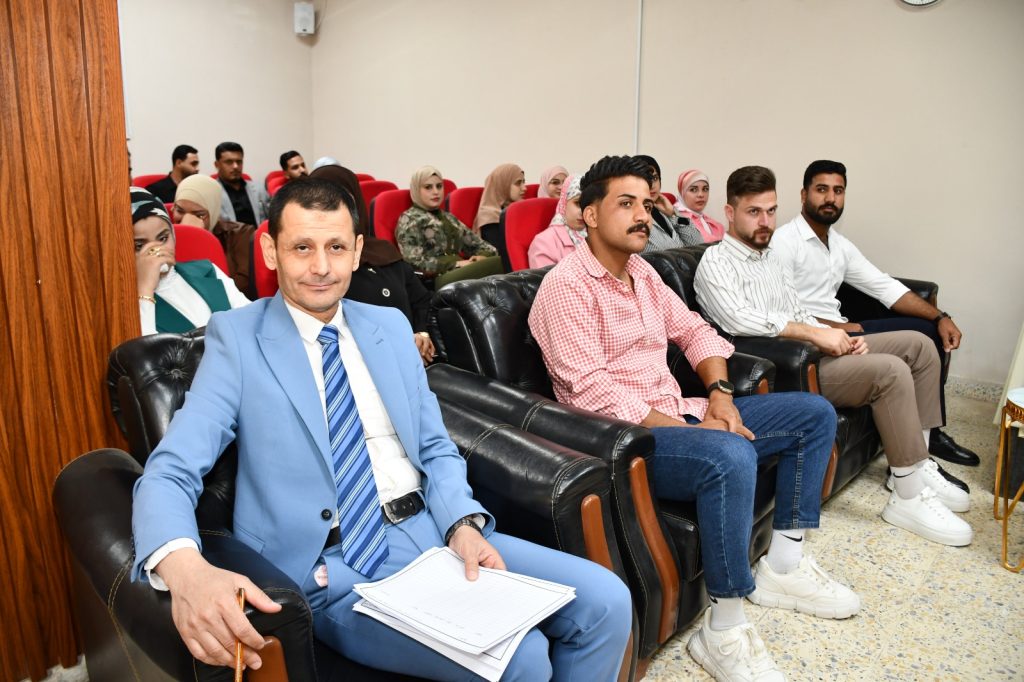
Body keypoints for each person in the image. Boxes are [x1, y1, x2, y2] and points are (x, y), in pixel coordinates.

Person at [130, 179, 633, 681]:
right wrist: (185, 569)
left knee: (608, 603)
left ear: (357, 252)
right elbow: (170, 470)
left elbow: (434, 446)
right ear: (270, 251)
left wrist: (461, 522)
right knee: (523, 659)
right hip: (332, 565)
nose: (321, 267)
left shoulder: (388, 327)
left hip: (432, 531)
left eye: (335, 248)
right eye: (302, 248)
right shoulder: (238, 339)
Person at [530, 155, 858, 682]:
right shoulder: (566, 287)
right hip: (628, 441)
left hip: (685, 414)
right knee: (729, 454)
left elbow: (697, 332)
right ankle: (722, 630)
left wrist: (721, 398)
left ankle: (785, 564)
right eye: (626, 204)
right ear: (589, 215)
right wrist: (691, 431)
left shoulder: (642, 273)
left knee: (813, 415)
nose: (643, 215)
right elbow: (590, 393)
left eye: (646, 203)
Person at [694, 165, 972, 549]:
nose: (765, 221)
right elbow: (737, 319)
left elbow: (798, 309)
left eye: (771, 211)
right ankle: (907, 496)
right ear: (730, 212)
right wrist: (815, 334)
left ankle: (918, 465)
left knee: (920, 345)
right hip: (789, 369)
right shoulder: (716, 262)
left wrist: (839, 336)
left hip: (817, 350)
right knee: (890, 371)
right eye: (753, 212)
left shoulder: (771, 258)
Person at [771, 160, 977, 467]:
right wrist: (836, 327)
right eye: (822, 189)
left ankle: (927, 438)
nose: (830, 198)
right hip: (815, 341)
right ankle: (920, 450)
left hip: (845, 329)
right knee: (914, 342)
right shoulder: (784, 242)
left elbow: (884, 286)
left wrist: (940, 316)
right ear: (804, 195)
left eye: (838, 191)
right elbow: (781, 312)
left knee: (927, 330)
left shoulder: (838, 244)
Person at [310, 164, 435, 365]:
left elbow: (421, 300)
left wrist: (422, 334)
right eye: (324, 201)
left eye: (343, 199)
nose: (334, 208)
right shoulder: (316, 267)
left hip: (416, 360)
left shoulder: (383, 251)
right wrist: (400, 347)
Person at [131, 187, 249, 336]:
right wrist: (145, 292)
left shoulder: (208, 270)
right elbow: (143, 349)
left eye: (163, 238)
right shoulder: (124, 304)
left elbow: (250, 320)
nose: (156, 251)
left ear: (173, 235)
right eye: (140, 246)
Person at [396, 165, 503, 288]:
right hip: (436, 279)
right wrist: (455, 264)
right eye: (428, 187)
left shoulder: (448, 218)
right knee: (501, 263)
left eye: (439, 186)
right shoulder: (409, 219)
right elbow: (412, 262)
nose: (436, 192)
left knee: (499, 261)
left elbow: (484, 247)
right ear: (416, 190)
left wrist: (481, 257)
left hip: (459, 272)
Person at [173, 174, 256, 298]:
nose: (187, 220)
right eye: (180, 211)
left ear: (214, 212)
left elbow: (242, 287)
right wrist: (184, 239)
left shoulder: (240, 234)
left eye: (199, 215)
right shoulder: (163, 238)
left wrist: (199, 239)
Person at [633, 154, 702, 253]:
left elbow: (697, 245)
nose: (652, 185)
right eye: (646, 179)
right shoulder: (634, 218)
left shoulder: (663, 211)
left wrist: (673, 214)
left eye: (655, 178)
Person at [528, 174, 586, 268]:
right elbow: (546, 277)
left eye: (588, 205)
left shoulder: (596, 236)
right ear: (564, 203)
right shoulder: (543, 243)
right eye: (578, 203)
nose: (583, 212)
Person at [474, 163, 526, 266]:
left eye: (524, 182)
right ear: (503, 185)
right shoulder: (489, 216)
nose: (524, 188)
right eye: (518, 183)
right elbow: (503, 255)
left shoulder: (518, 211)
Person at [214, 141, 268, 226]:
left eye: (239, 162)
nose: (235, 166)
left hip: (260, 233)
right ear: (217, 165)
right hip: (230, 234)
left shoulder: (259, 189)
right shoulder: (212, 193)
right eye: (229, 162)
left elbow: (272, 218)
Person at [675, 169, 725, 243]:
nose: (701, 195)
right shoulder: (677, 219)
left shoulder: (714, 224)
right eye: (693, 190)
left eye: (705, 189)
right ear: (682, 192)